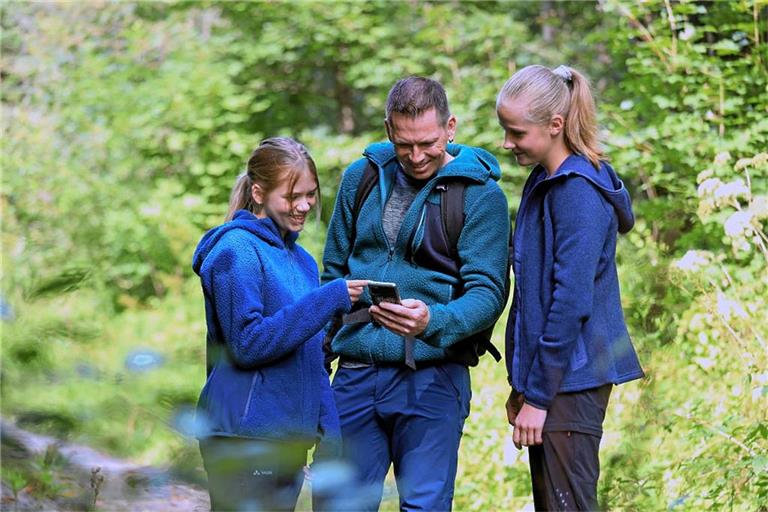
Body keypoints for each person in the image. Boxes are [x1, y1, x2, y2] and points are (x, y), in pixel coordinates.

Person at [321, 76, 510, 510]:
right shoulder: (361, 177)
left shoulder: (480, 196)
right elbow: (332, 274)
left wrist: (433, 321)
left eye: (427, 142)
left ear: (450, 127)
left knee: (424, 506)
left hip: (433, 376)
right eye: (405, 144)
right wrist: (320, 357)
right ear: (389, 129)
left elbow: (488, 292)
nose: (417, 155)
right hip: (355, 370)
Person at [497, 65, 645, 511]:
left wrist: (539, 397)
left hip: (573, 382)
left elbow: (570, 303)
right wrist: (522, 387)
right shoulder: (545, 181)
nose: (507, 143)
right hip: (551, 382)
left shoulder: (577, 191)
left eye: (516, 132)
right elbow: (534, 297)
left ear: (554, 125)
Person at [191, 137, 367, 511]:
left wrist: (329, 432)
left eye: (311, 194)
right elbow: (248, 343)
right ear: (258, 192)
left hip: (287, 441)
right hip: (243, 438)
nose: (304, 206)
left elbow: (310, 354)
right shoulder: (235, 251)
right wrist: (326, 299)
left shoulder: (301, 260)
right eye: (292, 197)